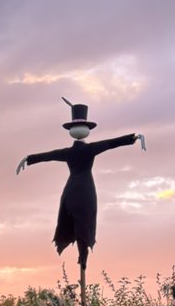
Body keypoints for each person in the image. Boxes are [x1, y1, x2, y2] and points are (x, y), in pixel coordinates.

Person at [16, 98, 145, 269]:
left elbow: (49, 155)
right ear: (87, 130)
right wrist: (133, 138)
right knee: (86, 222)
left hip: (70, 190)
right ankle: (83, 258)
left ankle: (82, 258)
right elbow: (111, 143)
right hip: (86, 190)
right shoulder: (90, 149)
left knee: (77, 221)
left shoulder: (68, 152)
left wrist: (29, 159)